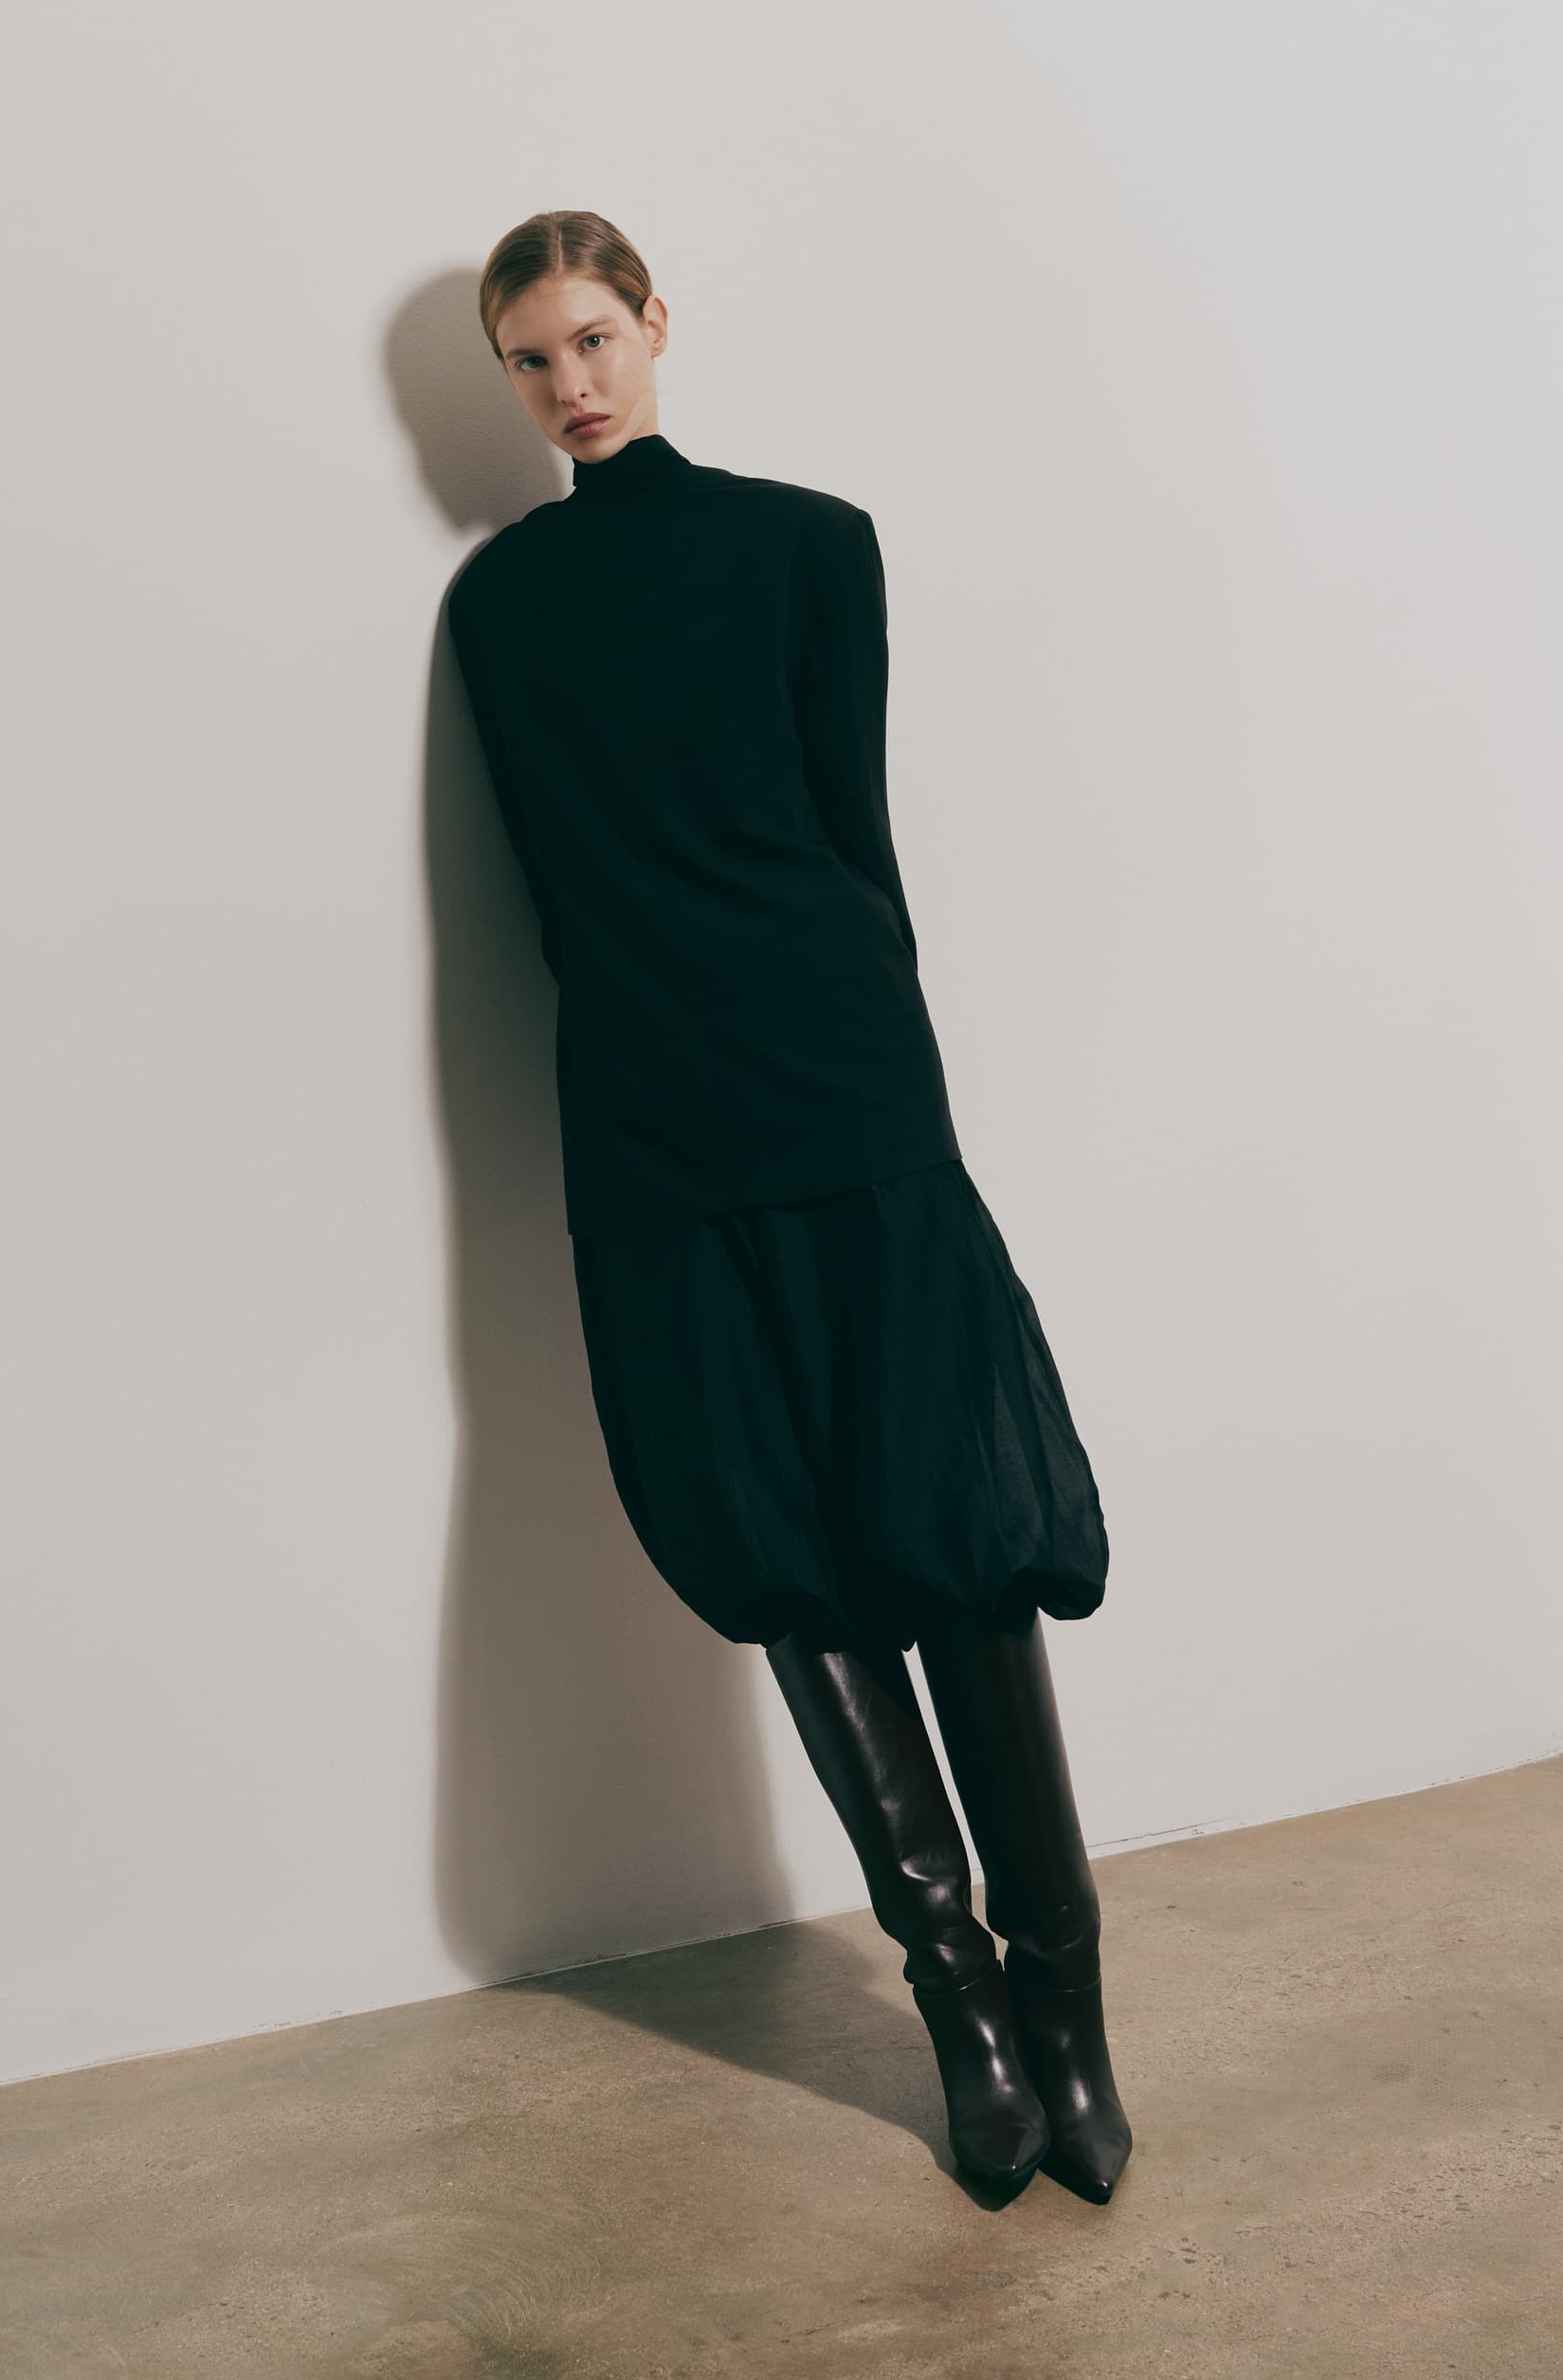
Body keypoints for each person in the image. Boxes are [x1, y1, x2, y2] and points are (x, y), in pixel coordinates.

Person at [445, 209, 1132, 2205]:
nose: (567, 382)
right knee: (782, 1555)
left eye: (590, 335)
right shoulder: (499, 609)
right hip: (654, 1119)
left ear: (657, 326)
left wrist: (881, 1074)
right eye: (527, 359)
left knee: (956, 1534)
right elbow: (556, 888)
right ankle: (963, 2010)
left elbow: (858, 837)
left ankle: (1068, 2004)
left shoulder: (815, 542)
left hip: (846, 1085)